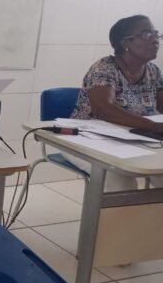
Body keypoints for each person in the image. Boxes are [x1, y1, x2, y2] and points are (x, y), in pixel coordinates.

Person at [70, 14, 163, 190]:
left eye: (156, 34)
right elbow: (104, 109)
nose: (155, 40)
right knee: (120, 181)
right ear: (125, 43)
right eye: (146, 34)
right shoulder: (104, 68)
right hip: (87, 140)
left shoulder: (153, 71)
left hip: (135, 139)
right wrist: (153, 126)